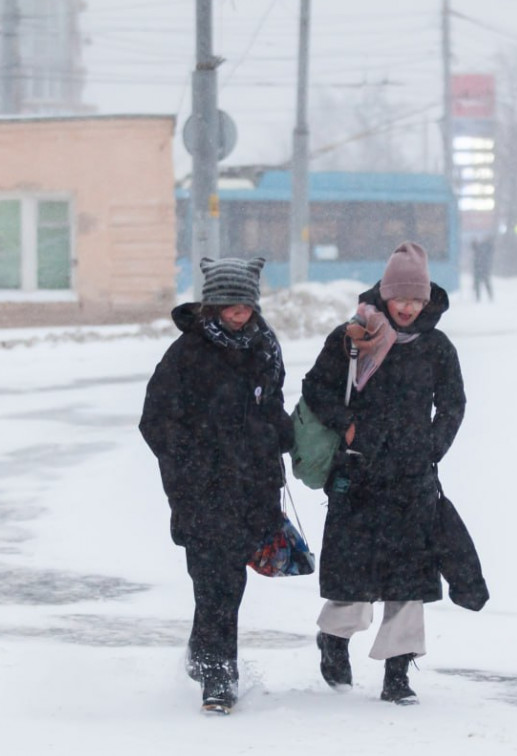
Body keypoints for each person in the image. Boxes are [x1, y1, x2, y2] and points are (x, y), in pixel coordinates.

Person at [303, 242, 467, 706]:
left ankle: (398, 673)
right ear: (385, 294)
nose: (410, 308)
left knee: (409, 582)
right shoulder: (353, 335)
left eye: (417, 300)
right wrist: (348, 426)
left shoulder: (436, 347)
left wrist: (433, 446)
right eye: (402, 299)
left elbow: (453, 403)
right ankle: (334, 640)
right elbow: (315, 387)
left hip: (413, 480)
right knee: (352, 575)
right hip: (359, 476)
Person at [139, 256, 294, 715]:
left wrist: (278, 436)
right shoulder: (186, 353)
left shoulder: (265, 346)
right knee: (215, 584)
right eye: (229, 303)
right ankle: (218, 676)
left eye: (245, 302)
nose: (239, 311)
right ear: (212, 304)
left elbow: (272, 405)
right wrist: (189, 468)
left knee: (227, 587)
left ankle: (205, 654)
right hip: (203, 491)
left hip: (251, 486)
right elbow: (155, 422)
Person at [470, 234, 495, 302]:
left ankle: (489, 297)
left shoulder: (486, 247)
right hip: (480, 269)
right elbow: (474, 247)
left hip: (482, 269)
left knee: (484, 283)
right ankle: (479, 297)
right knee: (480, 284)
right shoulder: (481, 248)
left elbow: (490, 248)